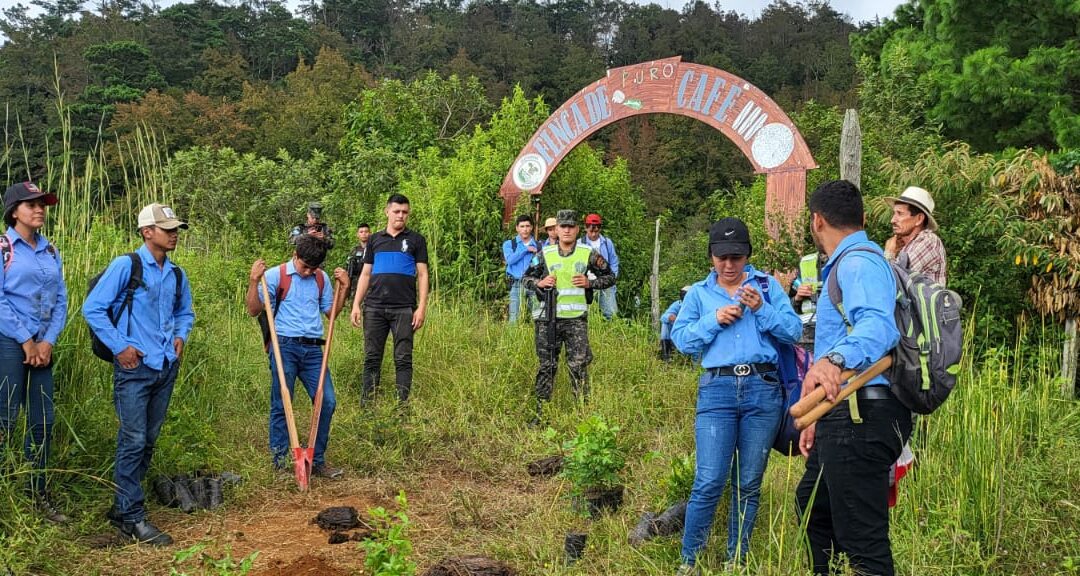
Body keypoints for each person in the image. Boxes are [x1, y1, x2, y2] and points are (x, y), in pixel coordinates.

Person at [671, 217, 802, 574]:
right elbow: (681, 341)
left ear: (748, 255)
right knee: (709, 480)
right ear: (711, 256)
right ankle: (689, 561)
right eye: (722, 257)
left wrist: (762, 309)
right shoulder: (699, 294)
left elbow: (794, 331)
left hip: (763, 390)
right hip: (717, 390)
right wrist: (713, 320)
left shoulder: (768, 286)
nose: (729, 265)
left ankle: (736, 560)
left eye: (737, 257)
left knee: (748, 483)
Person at [794, 179, 909, 576]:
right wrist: (821, 417)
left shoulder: (858, 263)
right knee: (814, 508)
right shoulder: (850, 263)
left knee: (864, 542)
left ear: (817, 221)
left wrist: (832, 361)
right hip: (843, 413)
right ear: (862, 218)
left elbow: (878, 328)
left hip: (862, 417)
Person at [83, 203, 195, 546]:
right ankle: (132, 518)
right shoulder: (126, 266)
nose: (174, 234)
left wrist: (180, 336)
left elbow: (185, 312)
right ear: (147, 232)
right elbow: (93, 308)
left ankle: (123, 507)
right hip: (134, 368)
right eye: (167, 229)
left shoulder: (175, 273)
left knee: (147, 440)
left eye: (176, 229)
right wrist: (121, 346)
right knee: (132, 440)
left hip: (164, 366)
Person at [245, 235, 347, 480]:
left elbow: (332, 312)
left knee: (327, 402)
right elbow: (253, 310)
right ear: (295, 257)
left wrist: (345, 287)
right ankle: (281, 462)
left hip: (313, 350)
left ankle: (317, 460)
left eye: (313, 268)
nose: (307, 271)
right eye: (304, 266)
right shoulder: (275, 275)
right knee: (283, 402)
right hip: (284, 346)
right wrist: (253, 281)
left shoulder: (321, 278)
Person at [0, 182, 68, 524]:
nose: (39, 208)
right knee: (6, 420)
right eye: (31, 204)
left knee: (43, 421)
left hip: (42, 345)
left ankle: (37, 493)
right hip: (9, 342)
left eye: (42, 203)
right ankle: (4, 495)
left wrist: (48, 341)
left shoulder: (50, 250)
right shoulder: (2, 247)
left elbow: (61, 299)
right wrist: (26, 339)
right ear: (14, 211)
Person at [521, 210, 615, 424]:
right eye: (562, 226)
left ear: (577, 229)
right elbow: (526, 277)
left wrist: (590, 283)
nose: (566, 230)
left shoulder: (587, 253)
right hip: (548, 319)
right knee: (547, 366)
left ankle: (583, 415)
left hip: (575, 321)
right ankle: (540, 414)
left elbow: (610, 276)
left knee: (578, 366)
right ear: (556, 229)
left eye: (570, 226)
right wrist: (540, 283)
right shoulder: (546, 254)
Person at [350, 194, 429, 405]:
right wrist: (356, 304)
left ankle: (401, 405)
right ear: (387, 212)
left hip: (404, 309)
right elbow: (366, 274)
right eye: (396, 211)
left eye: (405, 212)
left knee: (403, 358)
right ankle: (367, 404)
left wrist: (421, 308)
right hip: (374, 308)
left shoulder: (416, 240)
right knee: (372, 358)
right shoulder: (375, 240)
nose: (401, 216)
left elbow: (422, 275)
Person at [883, 186, 946, 285]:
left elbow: (894, 281)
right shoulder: (906, 244)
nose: (893, 220)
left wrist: (889, 254)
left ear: (919, 219)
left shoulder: (928, 241)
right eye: (894, 213)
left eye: (900, 213)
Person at [578, 213, 619, 320]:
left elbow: (614, 261)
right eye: (591, 230)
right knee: (586, 314)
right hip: (587, 284)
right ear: (586, 228)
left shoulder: (607, 242)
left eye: (596, 231)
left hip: (605, 283)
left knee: (611, 314)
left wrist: (612, 277)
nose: (594, 234)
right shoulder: (579, 244)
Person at [503, 214, 539, 323]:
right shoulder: (510, 244)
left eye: (528, 226)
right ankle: (511, 339)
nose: (525, 229)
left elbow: (540, 265)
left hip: (533, 284)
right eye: (522, 226)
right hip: (516, 284)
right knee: (514, 318)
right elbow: (510, 260)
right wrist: (525, 249)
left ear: (532, 227)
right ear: (517, 228)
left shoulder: (538, 245)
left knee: (536, 317)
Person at [659, 286, 689, 361]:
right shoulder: (677, 304)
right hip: (677, 332)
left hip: (690, 331)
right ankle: (666, 354)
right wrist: (669, 317)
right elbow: (663, 317)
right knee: (665, 323)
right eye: (682, 294)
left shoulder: (695, 305)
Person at [345, 223, 371, 300]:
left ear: (370, 233)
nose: (364, 234)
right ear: (357, 234)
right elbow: (348, 268)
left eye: (366, 231)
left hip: (371, 285)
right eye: (361, 232)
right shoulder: (354, 251)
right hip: (355, 285)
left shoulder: (374, 249)